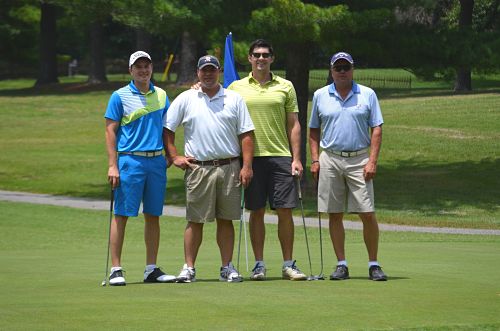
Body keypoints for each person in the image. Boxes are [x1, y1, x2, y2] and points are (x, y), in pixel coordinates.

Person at [164, 55, 255, 283]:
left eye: (212, 70)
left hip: (230, 167)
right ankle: (189, 268)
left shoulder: (234, 99)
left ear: (219, 71)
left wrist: (247, 166)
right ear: (197, 72)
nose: (208, 74)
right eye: (204, 70)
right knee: (195, 220)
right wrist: (174, 156)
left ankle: (227, 267)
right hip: (199, 168)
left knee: (226, 219)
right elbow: (168, 128)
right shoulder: (186, 98)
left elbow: (246, 135)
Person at [227, 39, 307, 281]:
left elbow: (293, 124)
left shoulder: (285, 86)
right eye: (256, 55)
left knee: (285, 210)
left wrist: (297, 158)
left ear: (272, 58)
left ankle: (288, 264)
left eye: (265, 55)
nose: (261, 59)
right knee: (257, 211)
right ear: (249, 58)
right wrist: (198, 86)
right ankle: (259, 264)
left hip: (281, 156)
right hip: (251, 159)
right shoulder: (235, 87)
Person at [309, 51, 387, 281]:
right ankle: (341, 264)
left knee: (367, 212)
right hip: (330, 158)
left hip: (360, 158)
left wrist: (372, 160)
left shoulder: (367, 94)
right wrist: (315, 159)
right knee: (334, 213)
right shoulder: (321, 95)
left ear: (352, 69)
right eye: (338, 68)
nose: (342, 72)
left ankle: (374, 264)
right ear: (331, 71)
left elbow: (377, 128)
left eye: (346, 67)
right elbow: (313, 129)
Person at [104, 51, 176, 286]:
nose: (143, 70)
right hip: (130, 161)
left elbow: (167, 128)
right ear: (131, 71)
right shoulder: (119, 96)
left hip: (156, 161)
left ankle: (151, 269)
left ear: (152, 68)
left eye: (146, 66)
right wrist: (113, 165)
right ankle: (116, 269)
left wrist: (169, 154)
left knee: (153, 215)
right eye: (138, 67)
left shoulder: (162, 95)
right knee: (122, 214)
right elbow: (110, 131)